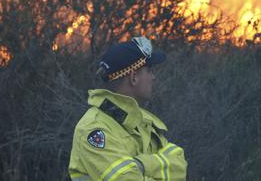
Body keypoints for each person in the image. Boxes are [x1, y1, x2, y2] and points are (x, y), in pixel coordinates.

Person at [68, 36, 187, 181]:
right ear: (134, 77)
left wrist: (141, 165)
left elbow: (180, 166)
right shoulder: (93, 130)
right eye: (149, 70)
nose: (153, 77)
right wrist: (155, 165)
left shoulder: (143, 121)